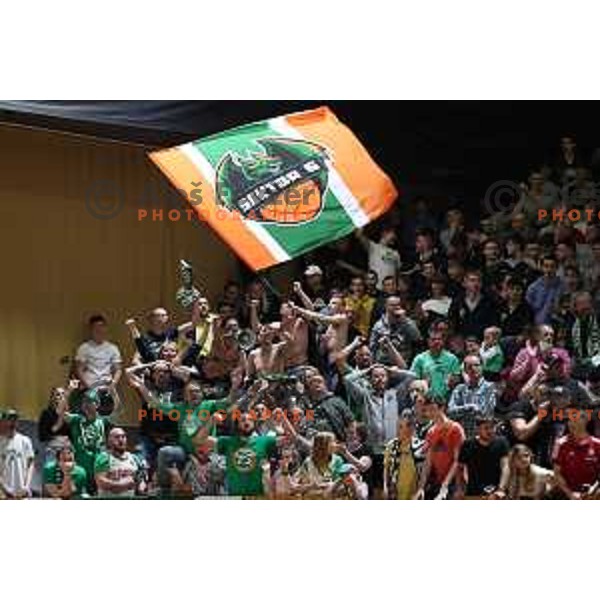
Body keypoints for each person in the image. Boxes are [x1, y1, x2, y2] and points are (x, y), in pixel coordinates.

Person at [414, 395, 465, 500]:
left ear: (442, 408)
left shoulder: (455, 429)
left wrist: (445, 485)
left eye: (433, 409)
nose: (429, 413)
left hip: (455, 484)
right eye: (427, 410)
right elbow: (428, 462)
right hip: (438, 482)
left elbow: (458, 461)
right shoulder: (431, 432)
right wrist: (421, 487)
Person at [74, 314, 123, 414]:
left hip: (106, 388)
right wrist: (89, 386)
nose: (99, 330)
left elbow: (118, 369)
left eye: (102, 326)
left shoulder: (113, 348)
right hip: (89, 387)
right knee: (89, 417)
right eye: (96, 327)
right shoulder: (84, 348)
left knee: (106, 416)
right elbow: (79, 370)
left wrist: (113, 385)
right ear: (91, 329)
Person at [455, 417, 510, 499]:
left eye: (492, 427)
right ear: (478, 429)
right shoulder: (468, 444)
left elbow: (505, 466)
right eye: (486, 428)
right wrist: (460, 489)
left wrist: (501, 489)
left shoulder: (502, 442)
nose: (490, 431)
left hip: (496, 492)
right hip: (474, 492)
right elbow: (460, 468)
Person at [553, 409, 600, 499]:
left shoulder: (598, 444)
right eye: (569, 420)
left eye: (574, 419)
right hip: (567, 495)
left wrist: (594, 489)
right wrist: (570, 494)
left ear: (585, 420)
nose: (571, 423)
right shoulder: (560, 444)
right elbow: (557, 473)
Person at [448, 354, 497, 439]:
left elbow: (485, 412)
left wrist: (462, 411)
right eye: (469, 367)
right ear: (465, 370)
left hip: (484, 436)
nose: (473, 369)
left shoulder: (491, 387)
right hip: (463, 436)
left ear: (482, 367)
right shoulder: (460, 388)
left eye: (476, 365)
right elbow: (450, 411)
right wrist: (470, 407)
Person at [290, 432, 348, 499]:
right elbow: (294, 485)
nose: (336, 444)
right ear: (323, 445)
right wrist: (312, 486)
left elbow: (339, 484)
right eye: (332, 442)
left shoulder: (338, 460)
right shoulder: (308, 462)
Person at [95, 428, 146, 499]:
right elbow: (101, 482)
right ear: (109, 441)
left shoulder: (134, 458)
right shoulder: (104, 458)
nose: (121, 439)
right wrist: (123, 484)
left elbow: (141, 480)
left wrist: (141, 487)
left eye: (123, 436)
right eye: (117, 437)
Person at [369, 295, 421, 366]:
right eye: (393, 305)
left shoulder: (407, 322)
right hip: (383, 363)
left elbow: (417, 338)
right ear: (386, 306)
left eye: (398, 305)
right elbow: (372, 347)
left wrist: (405, 321)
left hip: (403, 362)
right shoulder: (378, 325)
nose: (396, 307)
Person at [410, 329, 461, 400]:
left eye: (439, 339)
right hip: (425, 400)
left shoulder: (452, 359)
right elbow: (413, 381)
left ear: (443, 341)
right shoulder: (419, 359)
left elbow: (457, 380)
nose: (436, 342)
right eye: (433, 339)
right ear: (428, 341)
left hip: (447, 400)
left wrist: (451, 381)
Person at [448, 270, 499, 339]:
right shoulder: (458, 301)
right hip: (462, 341)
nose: (476, 283)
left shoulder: (489, 302)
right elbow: (452, 322)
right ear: (464, 283)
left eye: (479, 281)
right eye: (472, 280)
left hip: (483, 340)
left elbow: (494, 324)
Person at [383, 410, 422, 500]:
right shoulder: (391, 445)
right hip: (394, 494)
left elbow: (422, 473)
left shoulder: (419, 446)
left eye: (406, 426)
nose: (401, 430)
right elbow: (386, 468)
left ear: (412, 427)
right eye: (399, 426)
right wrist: (385, 486)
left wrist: (419, 490)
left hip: (412, 494)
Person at [0, 409, 35, 499]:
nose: (12, 423)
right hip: (3, 493)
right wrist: (5, 489)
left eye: (14, 420)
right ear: (3, 422)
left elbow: (30, 464)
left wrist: (27, 486)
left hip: (22, 491)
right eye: (9, 419)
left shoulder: (25, 440)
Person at [526, 255, 565, 325]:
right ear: (541, 268)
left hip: (558, 325)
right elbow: (527, 311)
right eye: (546, 266)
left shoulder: (563, 287)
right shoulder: (533, 288)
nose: (549, 270)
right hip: (537, 326)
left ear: (557, 268)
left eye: (552, 266)